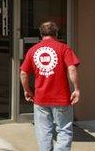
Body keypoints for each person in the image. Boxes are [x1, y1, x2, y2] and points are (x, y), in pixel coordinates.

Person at [20, 21, 80, 151]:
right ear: (56, 33)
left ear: (41, 34)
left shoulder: (33, 50)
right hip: (61, 98)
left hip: (41, 98)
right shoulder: (64, 48)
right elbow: (72, 69)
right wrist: (76, 89)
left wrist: (27, 90)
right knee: (64, 130)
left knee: (43, 132)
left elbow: (24, 73)